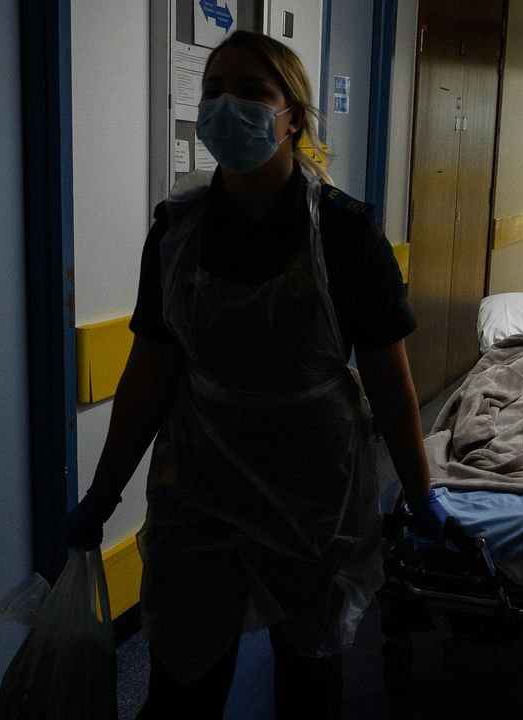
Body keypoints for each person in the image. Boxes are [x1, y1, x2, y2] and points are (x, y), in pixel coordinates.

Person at [62, 31, 447, 719]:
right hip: (199, 490)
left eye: (251, 92)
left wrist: (419, 494)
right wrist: (103, 491)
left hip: (315, 495)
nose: (226, 106)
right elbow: (149, 375)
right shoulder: (176, 232)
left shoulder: (346, 233)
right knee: (182, 685)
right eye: (214, 91)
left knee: (309, 682)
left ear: (293, 115)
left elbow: (391, 383)